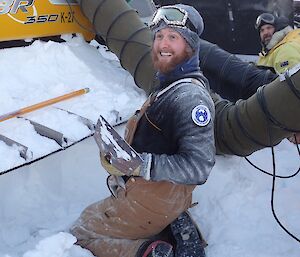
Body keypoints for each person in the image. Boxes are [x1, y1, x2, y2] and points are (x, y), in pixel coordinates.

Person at [70, 4, 215, 257]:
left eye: (173, 37)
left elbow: (199, 167)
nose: (162, 44)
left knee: (81, 232)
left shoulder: (190, 98)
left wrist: (140, 165)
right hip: (163, 196)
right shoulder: (171, 84)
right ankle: (171, 224)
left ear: (190, 46)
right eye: (159, 36)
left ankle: (148, 250)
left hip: (151, 199)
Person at [255, 12, 300, 144]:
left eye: (269, 28)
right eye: (262, 30)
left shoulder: (285, 50)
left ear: (278, 28)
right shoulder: (272, 51)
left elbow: (293, 92)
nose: (265, 33)